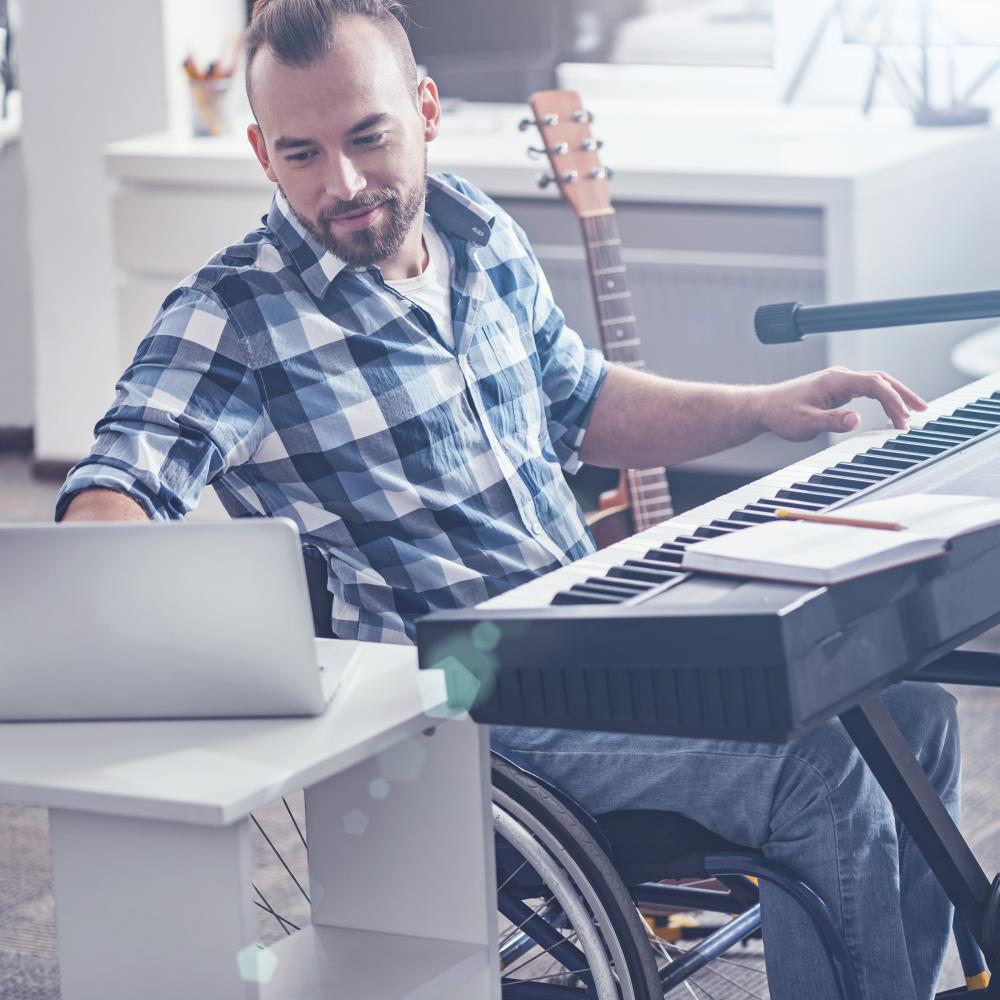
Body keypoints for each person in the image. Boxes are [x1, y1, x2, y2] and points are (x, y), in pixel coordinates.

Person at [56, 1, 959, 996]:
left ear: (427, 110)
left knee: (903, 710)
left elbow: (581, 402)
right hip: (461, 716)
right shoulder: (234, 317)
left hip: (594, 636)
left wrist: (767, 407)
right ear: (263, 155)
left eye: (368, 137)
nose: (343, 185)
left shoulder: (473, 229)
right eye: (302, 154)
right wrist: (121, 616)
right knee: (823, 771)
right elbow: (116, 485)